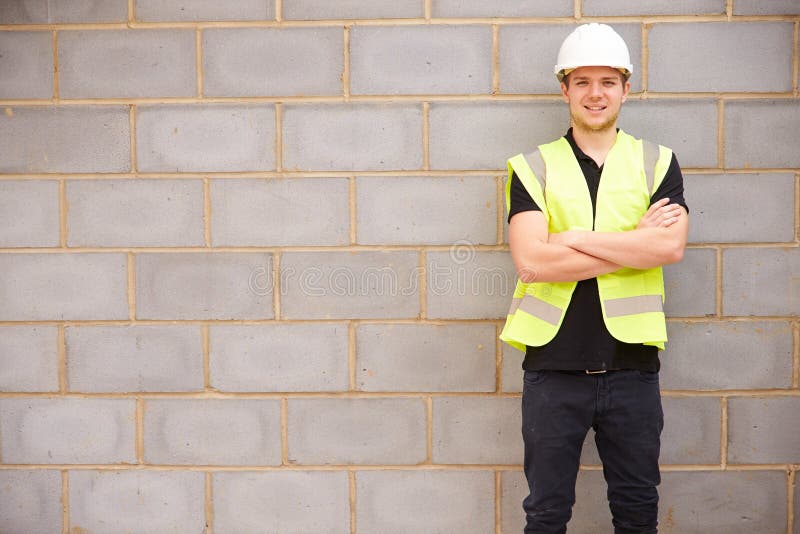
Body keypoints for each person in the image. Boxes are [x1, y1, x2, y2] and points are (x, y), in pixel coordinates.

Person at [499, 23, 689, 533]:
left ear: (626, 88)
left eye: (608, 81)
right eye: (582, 81)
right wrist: (634, 247)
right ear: (564, 89)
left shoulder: (657, 163)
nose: (595, 93)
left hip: (632, 369)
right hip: (552, 370)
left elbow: (669, 246)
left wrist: (572, 237)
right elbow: (533, 263)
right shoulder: (532, 166)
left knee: (636, 510)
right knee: (545, 513)